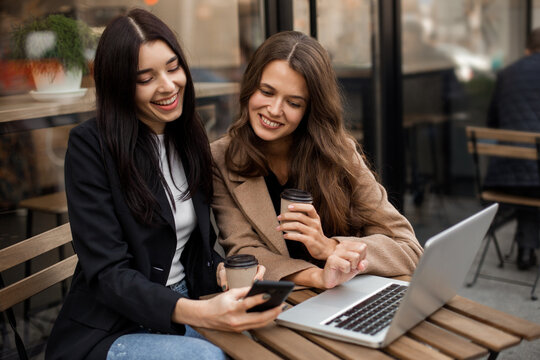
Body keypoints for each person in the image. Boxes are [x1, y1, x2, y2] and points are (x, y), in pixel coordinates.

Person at [45, 9, 284, 360]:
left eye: (173, 68)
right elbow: (110, 275)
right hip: (114, 325)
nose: (169, 85)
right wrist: (200, 312)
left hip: (185, 301)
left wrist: (220, 271)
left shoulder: (187, 136)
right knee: (207, 358)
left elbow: (192, 250)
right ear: (120, 85)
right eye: (146, 78)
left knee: (269, 339)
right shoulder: (90, 146)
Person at [211, 31, 423, 290]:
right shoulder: (221, 158)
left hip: (350, 296)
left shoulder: (339, 152)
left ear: (310, 109)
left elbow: (409, 249)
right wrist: (319, 277)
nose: (275, 110)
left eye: (293, 102)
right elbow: (245, 252)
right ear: (250, 87)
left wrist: (330, 247)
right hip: (282, 304)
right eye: (267, 92)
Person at [484, 28, 540, 270]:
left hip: (504, 175)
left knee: (531, 184)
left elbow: (492, 122)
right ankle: (526, 249)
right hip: (532, 175)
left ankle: (526, 250)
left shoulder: (507, 73)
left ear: (527, 49)